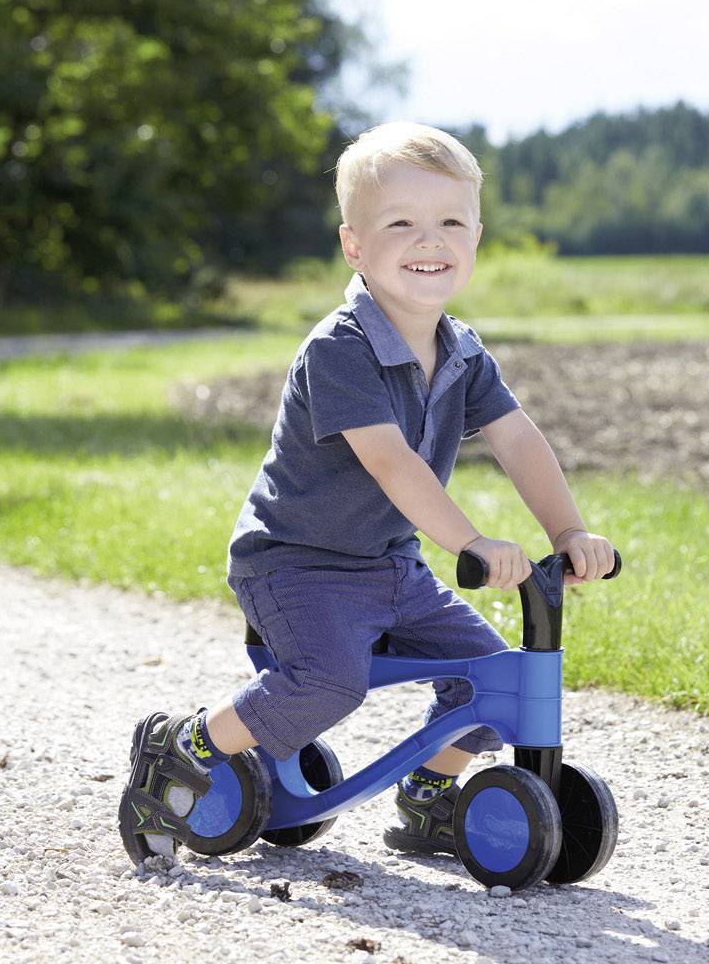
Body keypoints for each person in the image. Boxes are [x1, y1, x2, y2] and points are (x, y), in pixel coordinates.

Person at [120, 122, 615, 863]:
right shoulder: (341, 348)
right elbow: (391, 464)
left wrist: (569, 530)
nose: (430, 241)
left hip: (390, 567)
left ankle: (427, 798)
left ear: (476, 239)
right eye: (401, 223)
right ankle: (183, 747)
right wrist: (472, 543)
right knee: (328, 682)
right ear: (355, 246)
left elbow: (517, 438)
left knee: (492, 684)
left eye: (451, 222)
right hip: (296, 565)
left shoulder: (463, 351)